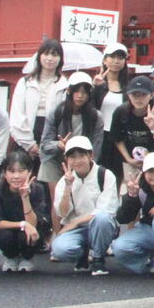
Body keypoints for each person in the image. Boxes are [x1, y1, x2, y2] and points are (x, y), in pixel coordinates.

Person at [50, 136, 120, 275]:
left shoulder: (105, 175)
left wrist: (76, 222)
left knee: (102, 219)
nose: (77, 161)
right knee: (59, 250)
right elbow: (62, 213)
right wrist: (68, 188)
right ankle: (81, 254)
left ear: (90, 155)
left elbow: (107, 210)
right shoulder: (64, 181)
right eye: (72, 157)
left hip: (99, 226)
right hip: (77, 231)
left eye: (81, 155)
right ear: (67, 159)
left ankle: (98, 258)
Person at [40, 71, 105, 207]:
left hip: (81, 159)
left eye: (84, 92)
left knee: (79, 198)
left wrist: (86, 164)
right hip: (55, 159)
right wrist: (59, 144)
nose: (80, 96)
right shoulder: (56, 112)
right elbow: (44, 145)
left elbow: (96, 148)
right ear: (69, 91)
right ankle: (58, 229)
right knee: (56, 200)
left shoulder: (96, 117)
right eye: (76, 91)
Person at [0, 150, 51, 272]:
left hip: (29, 230)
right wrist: (22, 224)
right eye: (11, 171)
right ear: (4, 173)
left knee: (30, 233)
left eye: (21, 171)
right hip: (7, 229)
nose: (16, 176)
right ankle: (11, 256)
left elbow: (34, 224)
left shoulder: (38, 189)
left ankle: (27, 257)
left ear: (29, 172)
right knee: (3, 235)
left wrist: (25, 198)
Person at [9, 39, 67, 169]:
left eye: (55, 55)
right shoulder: (25, 82)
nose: (50, 58)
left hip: (51, 137)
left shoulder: (64, 85)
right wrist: (30, 145)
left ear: (60, 59)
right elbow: (17, 115)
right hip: (26, 135)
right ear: (39, 56)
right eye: (46, 54)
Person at [110, 74, 154, 183]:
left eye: (143, 94)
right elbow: (117, 138)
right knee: (131, 191)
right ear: (129, 95)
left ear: (152, 95)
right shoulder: (121, 112)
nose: (138, 99)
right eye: (134, 94)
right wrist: (128, 159)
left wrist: (153, 128)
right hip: (131, 162)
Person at [92, 42, 130, 179]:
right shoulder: (97, 83)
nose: (116, 61)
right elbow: (89, 109)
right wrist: (95, 88)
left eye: (120, 57)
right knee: (98, 174)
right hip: (100, 135)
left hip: (119, 137)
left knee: (116, 176)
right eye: (112, 57)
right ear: (104, 60)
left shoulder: (128, 86)